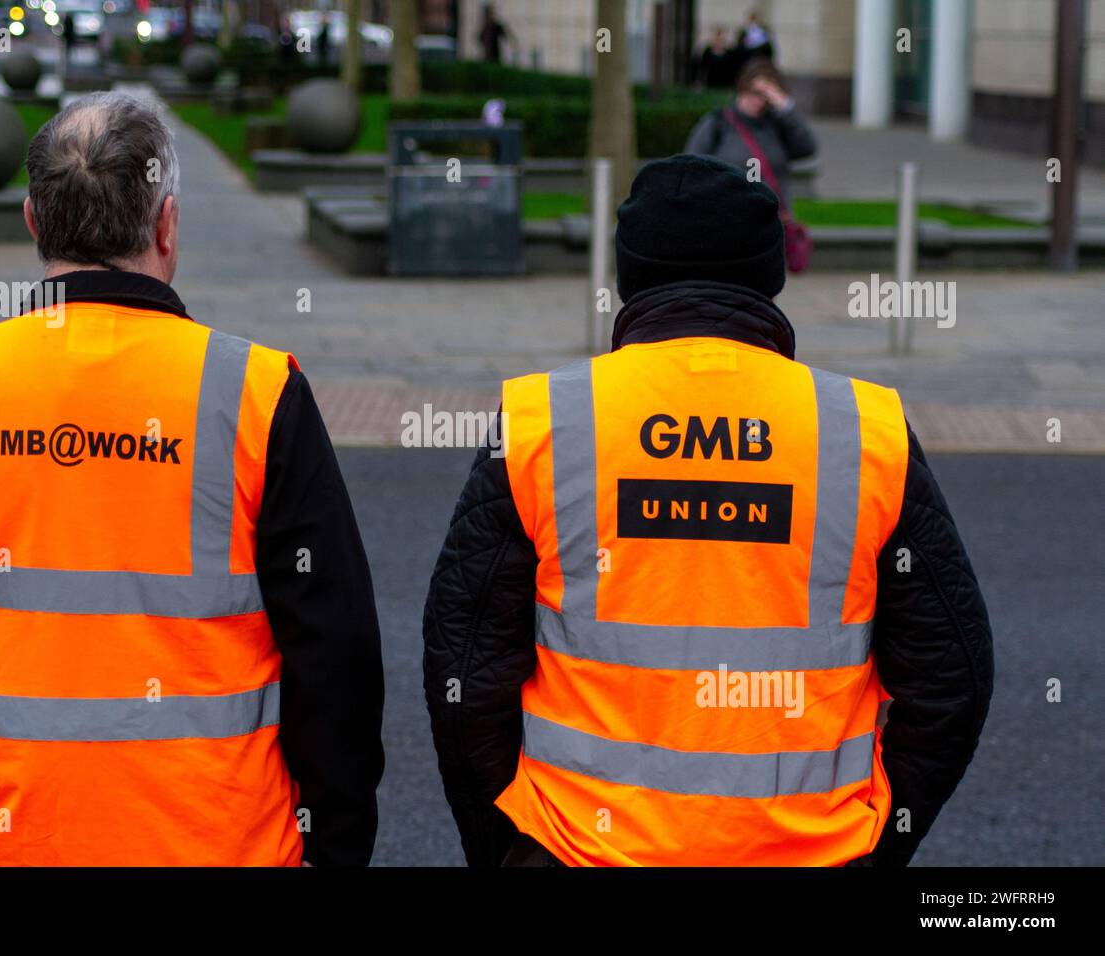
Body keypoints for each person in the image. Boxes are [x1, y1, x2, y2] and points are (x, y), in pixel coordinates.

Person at [0, 91, 385, 867]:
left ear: (33, 220)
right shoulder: (256, 392)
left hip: (2, 841)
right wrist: (338, 836)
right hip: (219, 843)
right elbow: (337, 654)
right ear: (166, 225)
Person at [422, 154, 994, 867]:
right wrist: (881, 845)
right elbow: (953, 678)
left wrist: (510, 846)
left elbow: (465, 669)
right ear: (769, 275)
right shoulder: (862, 429)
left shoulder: (543, 420)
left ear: (629, 275)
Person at [684, 58, 816, 207]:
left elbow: (807, 148)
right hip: (728, 213)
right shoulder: (718, 123)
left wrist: (786, 108)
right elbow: (691, 163)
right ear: (742, 88)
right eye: (753, 92)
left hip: (771, 216)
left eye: (764, 95)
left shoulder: (777, 124)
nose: (757, 100)